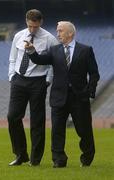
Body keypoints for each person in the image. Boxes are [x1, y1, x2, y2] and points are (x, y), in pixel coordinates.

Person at [25, 21, 100, 168]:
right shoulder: (54, 50)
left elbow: (94, 73)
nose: (57, 33)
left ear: (70, 33)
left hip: (79, 97)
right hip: (59, 97)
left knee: (84, 130)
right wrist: (32, 51)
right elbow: (40, 60)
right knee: (57, 130)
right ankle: (59, 160)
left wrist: (89, 91)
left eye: (60, 31)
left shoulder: (85, 50)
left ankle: (87, 157)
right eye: (57, 30)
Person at [7, 9, 58, 166]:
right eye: (30, 26)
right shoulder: (18, 35)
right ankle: (21, 154)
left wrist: (47, 80)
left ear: (41, 22)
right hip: (19, 80)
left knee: (37, 121)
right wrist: (12, 76)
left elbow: (53, 63)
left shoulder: (50, 39)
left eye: (35, 26)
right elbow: (13, 58)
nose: (32, 29)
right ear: (26, 21)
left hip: (38, 82)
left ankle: (35, 159)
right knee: (12, 116)